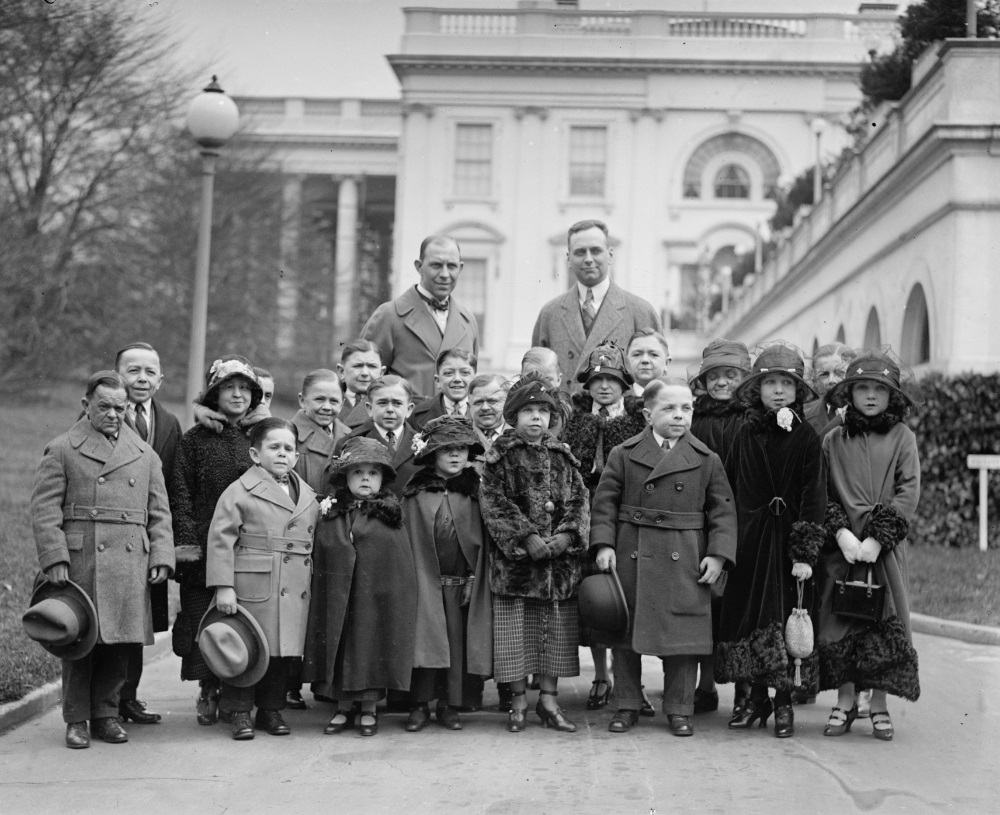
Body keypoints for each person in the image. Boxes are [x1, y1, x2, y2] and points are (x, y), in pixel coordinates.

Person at [30, 370, 174, 749]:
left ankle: (106, 715)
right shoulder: (62, 448)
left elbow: (159, 511)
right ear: (86, 406)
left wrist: (161, 555)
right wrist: (54, 557)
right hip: (82, 560)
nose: (113, 414)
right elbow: (45, 511)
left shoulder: (145, 455)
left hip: (130, 561)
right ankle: (76, 719)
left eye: (120, 408)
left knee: (120, 643)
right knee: (81, 642)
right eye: (104, 406)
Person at [591, 377, 737, 736]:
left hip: (686, 555)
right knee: (626, 634)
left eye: (686, 408)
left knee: (683, 637)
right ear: (647, 413)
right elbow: (604, 505)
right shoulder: (623, 454)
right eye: (669, 408)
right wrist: (604, 545)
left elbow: (723, 512)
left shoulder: (706, 459)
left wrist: (717, 556)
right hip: (632, 550)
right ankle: (626, 704)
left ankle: (680, 708)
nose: (679, 416)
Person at [715, 344, 826, 739]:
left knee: (784, 617)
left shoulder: (807, 438)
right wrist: (728, 542)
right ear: (757, 389)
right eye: (770, 383)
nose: (778, 390)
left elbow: (814, 497)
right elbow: (728, 488)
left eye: (786, 383)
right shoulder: (744, 433)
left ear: (798, 391)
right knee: (751, 619)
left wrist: (805, 552)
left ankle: (783, 703)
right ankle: (754, 697)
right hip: (750, 540)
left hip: (787, 543)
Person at [817, 353, 921, 741]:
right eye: (863, 387)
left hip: (884, 549)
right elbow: (822, 490)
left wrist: (879, 537)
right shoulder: (834, 438)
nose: (871, 395)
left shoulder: (902, 438)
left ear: (892, 396)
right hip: (844, 549)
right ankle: (845, 701)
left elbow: (908, 490)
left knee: (885, 620)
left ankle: (878, 703)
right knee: (842, 620)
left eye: (880, 389)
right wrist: (841, 534)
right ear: (850, 393)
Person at [480, 374, 590, 733]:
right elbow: (494, 503)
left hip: (557, 568)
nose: (536, 418)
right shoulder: (501, 457)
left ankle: (549, 700)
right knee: (516, 636)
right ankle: (517, 703)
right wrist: (525, 537)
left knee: (553, 634)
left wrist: (568, 535)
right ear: (514, 416)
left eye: (543, 411)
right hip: (517, 567)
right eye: (528, 410)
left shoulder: (563, 456)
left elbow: (579, 500)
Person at [204, 417, 319, 740]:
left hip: (294, 582)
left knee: (282, 652)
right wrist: (224, 587)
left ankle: (271, 709)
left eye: (289, 449)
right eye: (274, 447)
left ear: (296, 456)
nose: (282, 454)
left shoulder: (306, 493)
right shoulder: (240, 490)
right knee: (248, 646)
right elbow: (221, 539)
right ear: (255, 455)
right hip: (253, 582)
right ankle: (239, 710)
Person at [170, 355, 263, 727]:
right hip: (206, 549)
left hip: (251, 548)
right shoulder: (194, 441)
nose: (237, 395)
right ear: (213, 394)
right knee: (204, 621)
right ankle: (208, 688)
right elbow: (180, 493)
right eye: (229, 387)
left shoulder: (262, 436)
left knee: (244, 622)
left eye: (244, 388)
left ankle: (238, 694)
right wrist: (189, 546)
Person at [303, 437, 418, 737]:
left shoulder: (390, 517)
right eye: (357, 472)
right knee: (340, 651)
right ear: (345, 478)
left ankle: (368, 709)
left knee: (370, 647)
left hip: (374, 599)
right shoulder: (332, 514)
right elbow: (323, 550)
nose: (365, 478)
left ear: (382, 479)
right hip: (339, 598)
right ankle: (342, 707)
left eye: (372, 473)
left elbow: (398, 565)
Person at [563, 343, 646, 713]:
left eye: (612, 379)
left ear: (624, 384)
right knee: (596, 598)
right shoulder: (576, 422)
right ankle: (600, 675)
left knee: (628, 597)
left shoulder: (636, 422)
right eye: (597, 380)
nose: (604, 387)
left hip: (626, 517)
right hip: (586, 516)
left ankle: (632, 682)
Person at [401, 416, 493, 731]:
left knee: (455, 646)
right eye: (447, 450)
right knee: (425, 643)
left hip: (460, 584)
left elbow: (480, 540)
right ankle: (419, 705)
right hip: (423, 582)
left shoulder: (473, 493)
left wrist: (471, 578)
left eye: (462, 449)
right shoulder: (415, 495)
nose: (456, 456)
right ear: (431, 454)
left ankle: (449, 704)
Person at [113, 342, 182, 725]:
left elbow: (170, 488)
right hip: (112, 536)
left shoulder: (169, 422)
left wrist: (164, 547)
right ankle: (104, 701)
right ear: (117, 375)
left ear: (160, 379)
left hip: (147, 537)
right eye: (133, 370)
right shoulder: (103, 416)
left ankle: (129, 697)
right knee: (112, 618)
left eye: (149, 372)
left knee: (140, 623)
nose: (141, 379)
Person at [687, 338, 751, 715]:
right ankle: (704, 684)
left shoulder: (751, 419)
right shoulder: (696, 419)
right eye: (715, 376)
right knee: (704, 606)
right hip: (702, 520)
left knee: (741, 607)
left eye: (732, 375)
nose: (723, 383)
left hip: (744, 520)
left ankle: (745, 686)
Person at [531, 219, 661, 395]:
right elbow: (536, 378)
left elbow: (656, 384)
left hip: (621, 419)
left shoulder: (641, 312)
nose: (588, 259)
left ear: (610, 255)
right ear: (568, 258)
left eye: (596, 251)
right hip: (565, 418)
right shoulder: (550, 314)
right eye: (579, 252)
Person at [361, 235, 480, 399]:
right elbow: (363, 378)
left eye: (451, 266)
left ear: (460, 268)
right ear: (419, 266)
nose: (445, 274)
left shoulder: (468, 320)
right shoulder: (389, 315)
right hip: (407, 421)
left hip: (455, 423)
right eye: (436, 265)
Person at [334, 375, 420, 495]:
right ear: (369, 408)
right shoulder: (349, 443)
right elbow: (336, 491)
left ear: (409, 409)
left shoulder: (423, 444)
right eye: (382, 403)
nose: (390, 409)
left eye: (397, 403)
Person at [410, 348, 477, 430]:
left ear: (474, 379)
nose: (457, 379)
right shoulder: (419, 415)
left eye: (465, 373)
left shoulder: (485, 412)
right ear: (437, 381)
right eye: (449, 373)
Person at [805, 343, 856, 436]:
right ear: (815, 380)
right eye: (824, 374)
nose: (831, 380)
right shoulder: (804, 417)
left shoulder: (869, 413)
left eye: (839, 373)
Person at [337, 339, 385, 430]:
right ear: (341, 371)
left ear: (382, 373)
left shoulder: (391, 407)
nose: (365, 373)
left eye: (372, 366)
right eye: (357, 366)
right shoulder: (325, 404)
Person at [468, 373, 510, 452]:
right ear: (469, 405)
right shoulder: (460, 438)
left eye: (492, 401)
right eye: (478, 402)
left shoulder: (523, 436)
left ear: (508, 403)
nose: (485, 408)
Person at [625, 328, 671, 398]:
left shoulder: (678, 401)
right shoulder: (616, 401)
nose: (645, 360)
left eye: (654, 355)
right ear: (626, 361)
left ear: (666, 363)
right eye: (637, 354)